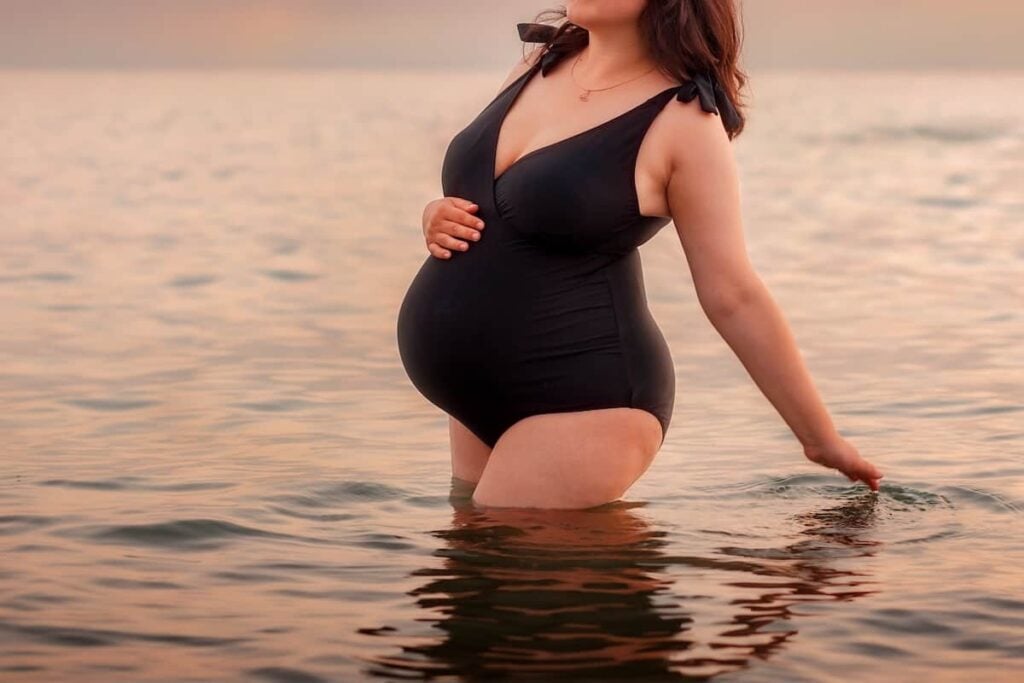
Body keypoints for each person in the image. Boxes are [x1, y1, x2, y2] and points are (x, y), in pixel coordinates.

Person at [396, 0, 884, 509]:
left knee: (519, 565)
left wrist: (820, 439)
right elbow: (486, 202)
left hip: (583, 399)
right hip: (469, 394)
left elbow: (732, 294)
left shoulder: (685, 123)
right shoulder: (538, 64)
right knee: (470, 571)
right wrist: (434, 213)